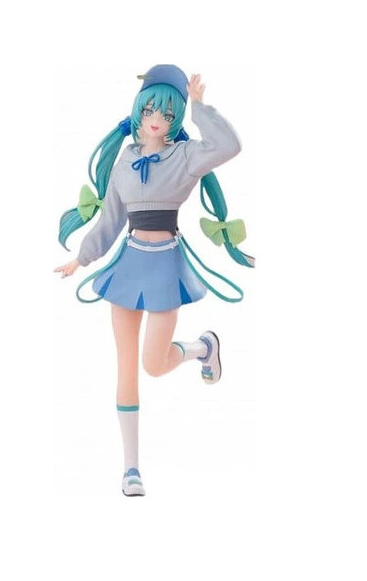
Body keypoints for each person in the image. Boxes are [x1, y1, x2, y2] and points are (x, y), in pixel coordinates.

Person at [54, 64, 253, 497]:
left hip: (165, 266)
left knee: (154, 364)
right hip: (128, 265)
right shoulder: (125, 162)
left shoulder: (186, 157)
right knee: (126, 365)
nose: (157, 119)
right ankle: (131, 468)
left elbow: (229, 145)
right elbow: (110, 220)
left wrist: (200, 107)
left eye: (167, 112)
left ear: (175, 117)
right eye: (149, 110)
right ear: (139, 111)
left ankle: (202, 348)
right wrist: (82, 259)